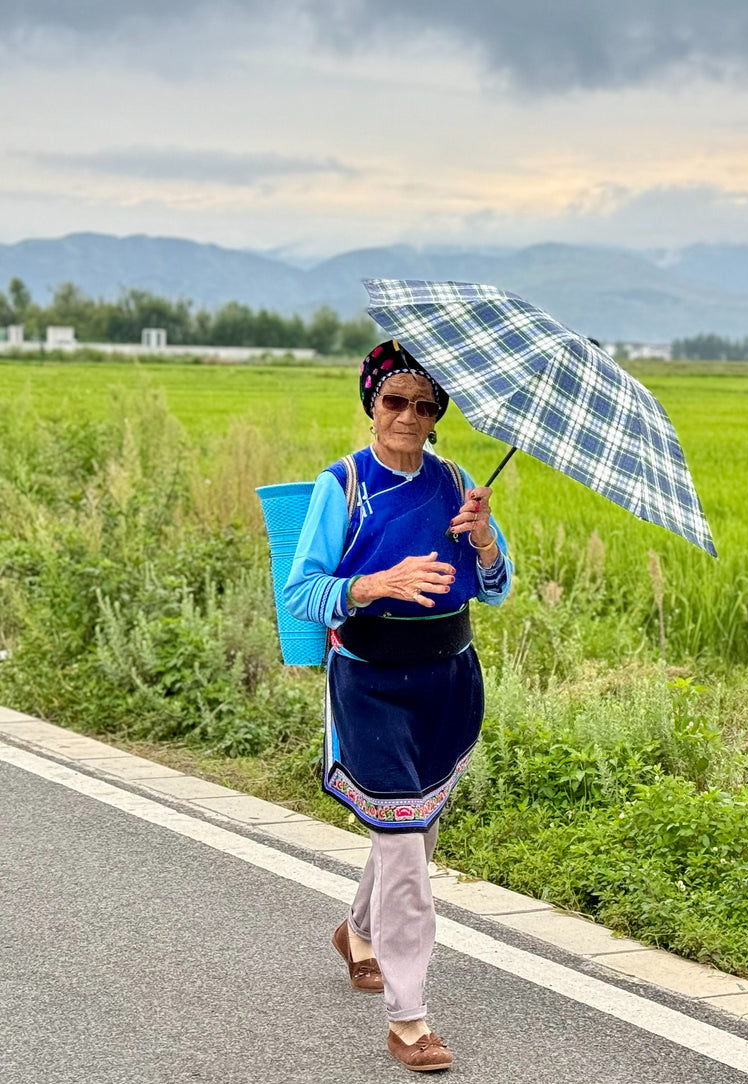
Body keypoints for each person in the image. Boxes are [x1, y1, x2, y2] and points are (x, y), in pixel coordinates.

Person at [283, 339, 512, 1072]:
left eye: (424, 404)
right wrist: (374, 584)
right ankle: (409, 1022)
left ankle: (357, 931)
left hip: (448, 679)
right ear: (371, 405)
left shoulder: (458, 481)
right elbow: (299, 591)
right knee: (405, 844)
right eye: (394, 401)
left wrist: (482, 543)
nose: (407, 416)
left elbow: (499, 586)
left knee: (416, 832)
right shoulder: (341, 484)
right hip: (371, 681)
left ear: (438, 414)